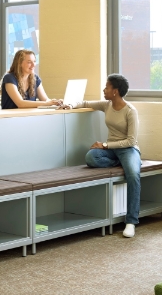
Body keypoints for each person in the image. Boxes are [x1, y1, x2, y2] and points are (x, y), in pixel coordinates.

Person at [59, 74, 141, 238]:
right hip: (111, 151)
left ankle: (131, 221)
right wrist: (69, 105)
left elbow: (131, 141)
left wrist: (104, 145)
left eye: (107, 87)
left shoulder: (130, 111)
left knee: (133, 174)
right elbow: (85, 103)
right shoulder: (107, 105)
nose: (104, 90)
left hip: (128, 149)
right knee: (91, 157)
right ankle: (119, 162)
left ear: (115, 91)